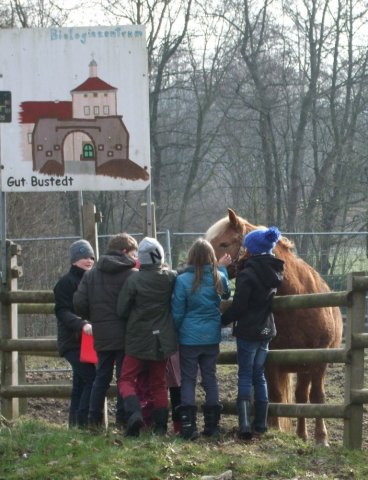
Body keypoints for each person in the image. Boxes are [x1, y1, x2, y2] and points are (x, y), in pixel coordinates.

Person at [221, 226, 284, 440]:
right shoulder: (275, 271)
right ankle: (261, 424)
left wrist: (222, 321)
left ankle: (245, 424)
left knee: (245, 376)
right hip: (266, 329)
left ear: (251, 249)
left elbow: (239, 306)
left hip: (248, 330)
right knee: (260, 376)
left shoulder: (247, 274)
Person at [73, 233, 138, 430]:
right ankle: (122, 418)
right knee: (123, 378)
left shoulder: (91, 274)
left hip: (101, 333)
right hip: (126, 333)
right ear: (125, 251)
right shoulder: (132, 275)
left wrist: (94, 317)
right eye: (133, 253)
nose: (135, 257)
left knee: (101, 376)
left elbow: (79, 303)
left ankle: (94, 419)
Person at [171, 238, 231, 440]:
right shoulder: (218, 278)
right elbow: (226, 294)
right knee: (210, 378)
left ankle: (188, 427)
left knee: (188, 379)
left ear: (191, 257)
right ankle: (212, 426)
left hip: (189, 337)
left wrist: (178, 331)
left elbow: (177, 312)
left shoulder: (182, 281)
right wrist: (223, 269)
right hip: (212, 336)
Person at [117, 237, 177, 436]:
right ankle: (160, 428)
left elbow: (122, 309)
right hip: (162, 340)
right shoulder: (169, 278)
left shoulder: (133, 280)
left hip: (138, 337)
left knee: (126, 378)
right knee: (159, 383)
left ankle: (134, 415)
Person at [54, 239, 96, 429]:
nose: (88, 260)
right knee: (91, 378)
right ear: (74, 260)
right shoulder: (65, 283)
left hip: (88, 342)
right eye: (83, 257)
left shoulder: (93, 280)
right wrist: (81, 324)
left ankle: (74, 426)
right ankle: (83, 421)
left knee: (80, 382)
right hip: (72, 341)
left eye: (90, 257)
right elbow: (62, 311)